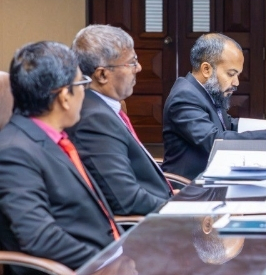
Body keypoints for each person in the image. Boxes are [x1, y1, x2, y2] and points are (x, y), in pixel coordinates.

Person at [0, 41, 119, 272]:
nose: (84, 93)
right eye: (82, 83)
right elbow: (40, 237)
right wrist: (106, 264)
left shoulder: (55, 138)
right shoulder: (14, 152)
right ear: (64, 96)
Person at [162, 33, 266, 180]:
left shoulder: (205, 91)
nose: (236, 82)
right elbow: (216, 141)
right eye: (231, 74)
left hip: (213, 178)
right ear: (206, 69)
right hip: (189, 186)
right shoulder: (184, 96)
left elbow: (229, 126)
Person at [67, 24, 172, 216]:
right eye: (131, 63)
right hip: (147, 224)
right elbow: (125, 199)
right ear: (102, 75)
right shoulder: (94, 119)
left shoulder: (103, 107)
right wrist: (177, 208)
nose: (139, 68)